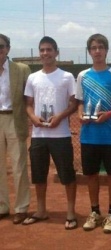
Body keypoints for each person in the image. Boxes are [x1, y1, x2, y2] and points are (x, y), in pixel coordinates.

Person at [22, 36, 78, 230]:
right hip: (38, 135)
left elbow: (74, 103)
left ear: (56, 52)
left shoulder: (67, 77)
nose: (45, 53)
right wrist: (33, 118)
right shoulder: (32, 77)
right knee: (39, 174)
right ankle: (41, 210)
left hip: (60, 134)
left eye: (49, 50)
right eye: (42, 50)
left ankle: (71, 212)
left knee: (67, 174)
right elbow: (28, 105)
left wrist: (60, 117)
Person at [75, 33, 111, 233]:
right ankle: (95, 211)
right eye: (93, 48)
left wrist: (109, 115)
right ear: (89, 52)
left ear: (106, 50)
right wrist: (80, 115)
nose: (97, 51)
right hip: (89, 135)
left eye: (100, 47)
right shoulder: (82, 75)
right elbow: (79, 101)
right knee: (92, 175)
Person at [0, 34, 30, 224]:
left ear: (8, 48)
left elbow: (29, 98)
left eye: (1, 46)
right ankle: (2, 206)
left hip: (14, 118)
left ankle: (21, 207)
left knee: (19, 166)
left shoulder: (21, 69)